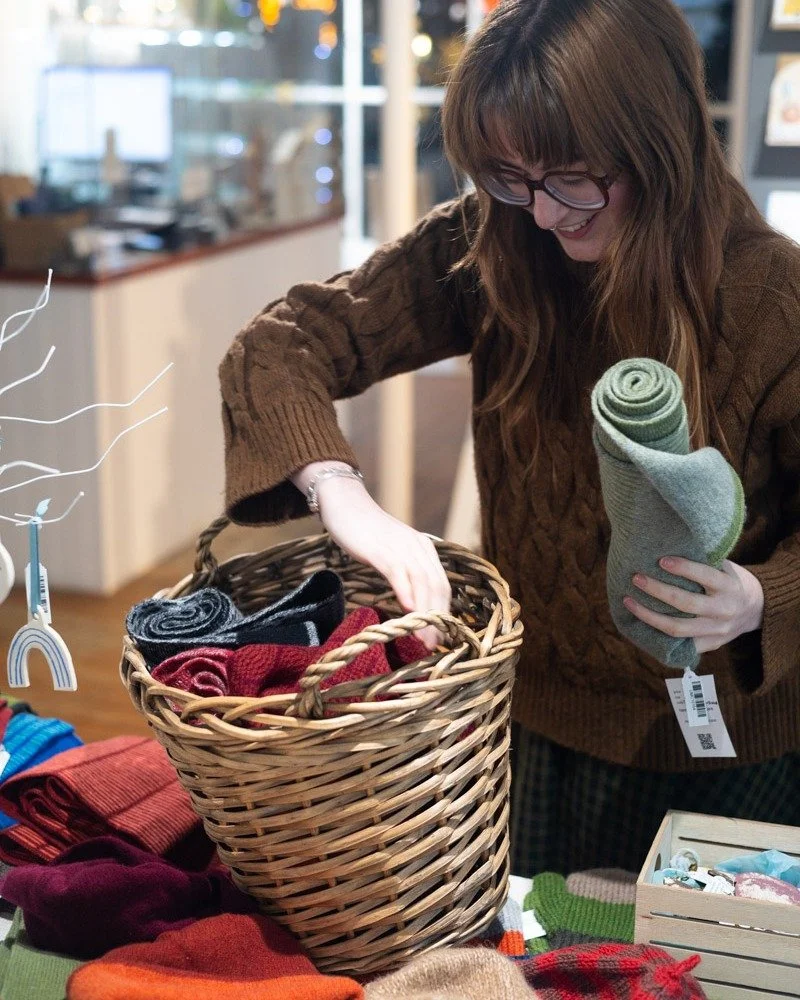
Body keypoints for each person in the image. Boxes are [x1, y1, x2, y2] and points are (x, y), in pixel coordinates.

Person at [219, 0, 800, 875]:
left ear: (659, 139)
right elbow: (282, 342)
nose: (541, 213)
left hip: (721, 743)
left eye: (571, 175)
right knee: (530, 953)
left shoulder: (770, 301)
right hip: (526, 716)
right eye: (509, 175)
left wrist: (762, 596)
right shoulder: (495, 245)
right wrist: (338, 491)